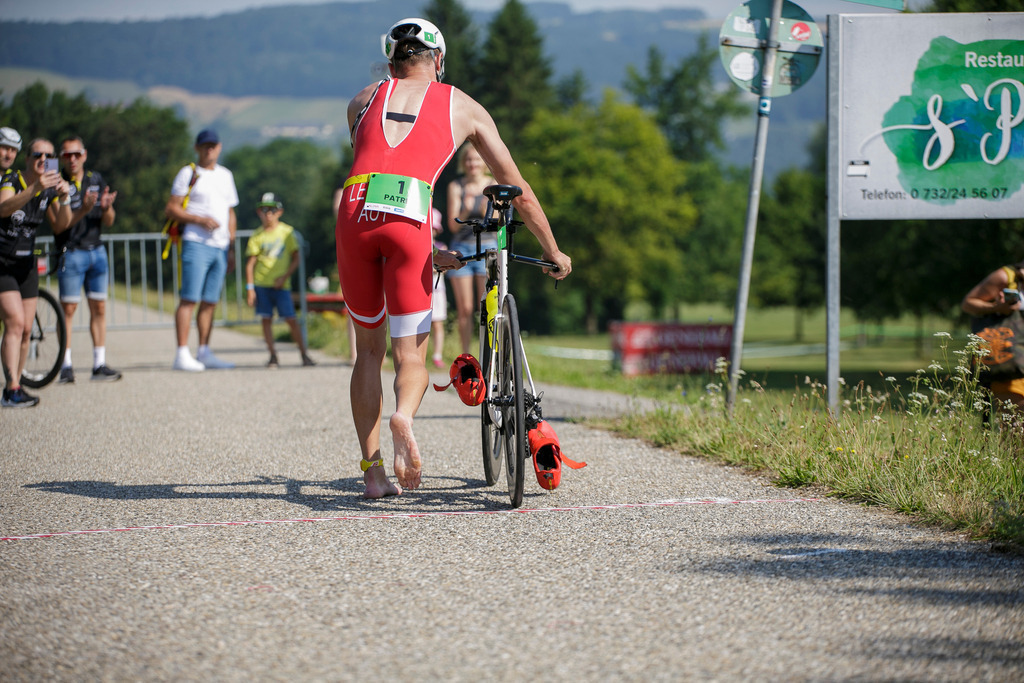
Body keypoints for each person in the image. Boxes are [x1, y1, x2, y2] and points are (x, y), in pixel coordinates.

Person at [336, 17, 571, 498]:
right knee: (410, 354)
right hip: (411, 214)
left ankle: (372, 472)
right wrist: (552, 249)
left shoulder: (361, 100)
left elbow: (376, 164)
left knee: (368, 352)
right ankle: (404, 413)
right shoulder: (462, 105)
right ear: (438, 60)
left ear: (391, 62)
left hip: (354, 209)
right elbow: (518, 189)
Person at [0, 137, 73, 407]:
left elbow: (62, 225)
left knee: (27, 329)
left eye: (49, 156)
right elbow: (4, 208)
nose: (44, 160)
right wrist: (34, 188)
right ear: (28, 159)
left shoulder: (49, 188)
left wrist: (65, 198)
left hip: (26, 264)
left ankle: (16, 386)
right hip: (3, 262)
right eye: (38, 155)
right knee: (15, 323)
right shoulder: (12, 179)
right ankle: (10, 389)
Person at [165, 129, 239, 371]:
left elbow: (230, 212)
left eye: (213, 145)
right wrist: (199, 219)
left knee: (210, 301)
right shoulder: (188, 173)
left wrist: (231, 247)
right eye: (205, 145)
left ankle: (204, 350)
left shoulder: (226, 175)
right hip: (196, 242)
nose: (209, 149)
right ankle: (181, 353)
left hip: (220, 245)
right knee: (189, 299)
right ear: (197, 148)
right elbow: (172, 208)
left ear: (218, 148)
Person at [56, 135, 121, 383]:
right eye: (66, 155)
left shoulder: (96, 179)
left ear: (84, 155)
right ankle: (66, 365)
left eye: (76, 154)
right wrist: (82, 209)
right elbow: (59, 226)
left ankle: (99, 363)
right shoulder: (57, 182)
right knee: (68, 311)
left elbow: (110, 221)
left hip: (97, 251)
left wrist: (106, 207)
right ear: (61, 158)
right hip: (71, 251)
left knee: (99, 308)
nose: (72, 159)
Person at [245, 192, 316, 368]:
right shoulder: (257, 235)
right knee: (266, 320)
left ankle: (304, 354)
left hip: (281, 285)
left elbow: (296, 257)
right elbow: (250, 264)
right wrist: (250, 288)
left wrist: (284, 277)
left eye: (272, 210)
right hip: (262, 284)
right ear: (259, 212)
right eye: (264, 210)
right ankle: (272, 356)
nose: (268, 214)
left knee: (291, 320)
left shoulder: (287, 232)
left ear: (279, 212)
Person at [446, 143, 496, 354]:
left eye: (476, 159)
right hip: (463, 250)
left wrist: (488, 212)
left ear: (483, 162)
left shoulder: (494, 185)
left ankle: (489, 353)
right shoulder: (456, 187)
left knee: (486, 307)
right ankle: (466, 354)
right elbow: (453, 225)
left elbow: (498, 222)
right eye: (468, 159)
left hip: (488, 248)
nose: (472, 163)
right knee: (465, 309)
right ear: (463, 163)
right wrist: (466, 210)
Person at [962, 261, 1024, 409]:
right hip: (1013, 364)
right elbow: (968, 303)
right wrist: (997, 308)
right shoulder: (1007, 277)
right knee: (1015, 427)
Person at [331, 180, 359, 364]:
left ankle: (379, 353)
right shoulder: (343, 189)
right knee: (355, 306)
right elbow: (338, 214)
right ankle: (354, 353)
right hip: (354, 249)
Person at [430, 207, 447, 368]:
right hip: (423, 290)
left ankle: (437, 354)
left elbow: (446, 267)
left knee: (438, 323)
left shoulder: (442, 247)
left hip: (437, 290)